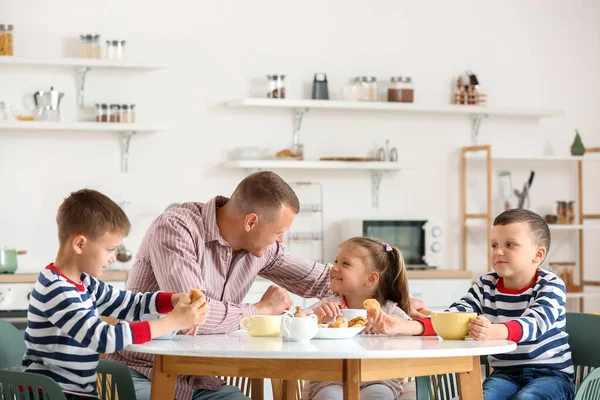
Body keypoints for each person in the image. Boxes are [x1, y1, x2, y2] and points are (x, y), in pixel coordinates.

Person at [107, 171, 427, 400]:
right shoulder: (176, 229)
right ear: (251, 222)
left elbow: (322, 278)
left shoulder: (260, 248)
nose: (281, 240)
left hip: (200, 378)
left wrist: (397, 302)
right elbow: (195, 315)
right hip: (142, 372)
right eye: (278, 232)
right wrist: (261, 310)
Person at [368, 208, 576, 400]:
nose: (498, 251)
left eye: (509, 244)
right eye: (494, 245)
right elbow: (453, 318)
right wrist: (403, 325)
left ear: (538, 255)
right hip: (506, 375)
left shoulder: (551, 285)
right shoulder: (486, 284)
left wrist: (492, 331)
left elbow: (535, 324)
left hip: (551, 375)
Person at [23, 189, 208, 400]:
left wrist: (173, 299)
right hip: (51, 394)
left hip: (77, 393)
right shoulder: (56, 289)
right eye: (110, 249)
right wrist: (173, 322)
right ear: (80, 244)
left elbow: (130, 304)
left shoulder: (86, 283)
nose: (113, 257)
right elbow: (103, 338)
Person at [303, 237, 413, 400]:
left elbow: (417, 337)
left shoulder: (389, 312)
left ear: (371, 279)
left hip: (380, 379)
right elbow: (292, 326)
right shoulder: (327, 306)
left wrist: (391, 329)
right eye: (336, 261)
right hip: (329, 379)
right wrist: (314, 319)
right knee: (329, 396)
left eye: (345, 264)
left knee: (378, 395)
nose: (334, 268)